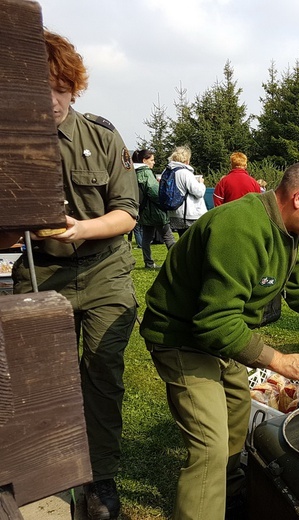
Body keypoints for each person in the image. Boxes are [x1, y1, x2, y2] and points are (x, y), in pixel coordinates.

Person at [139, 161, 299, 520]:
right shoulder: (240, 228)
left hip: (220, 337)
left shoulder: (286, 232)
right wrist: (277, 360)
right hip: (181, 338)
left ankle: (227, 494)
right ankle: (203, 504)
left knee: (238, 412)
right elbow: (213, 322)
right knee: (210, 447)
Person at [9, 30, 139, 520]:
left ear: (74, 86)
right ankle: (49, 476)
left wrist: (81, 228)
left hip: (106, 272)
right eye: (38, 90)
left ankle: (100, 479)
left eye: (59, 88)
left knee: (102, 375)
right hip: (42, 273)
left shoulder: (102, 138)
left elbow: (128, 212)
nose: (52, 101)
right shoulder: (13, 146)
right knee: (38, 380)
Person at [133, 149, 176, 269]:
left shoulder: (133, 172)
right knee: (168, 236)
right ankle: (176, 262)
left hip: (143, 211)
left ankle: (149, 262)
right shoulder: (146, 172)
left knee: (146, 238)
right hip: (155, 211)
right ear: (144, 160)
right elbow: (153, 190)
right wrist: (164, 202)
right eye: (152, 160)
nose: (154, 162)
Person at [166, 145, 207, 235]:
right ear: (186, 159)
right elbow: (199, 192)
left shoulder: (168, 171)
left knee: (184, 240)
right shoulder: (185, 173)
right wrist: (201, 183)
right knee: (193, 243)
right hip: (189, 214)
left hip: (175, 213)